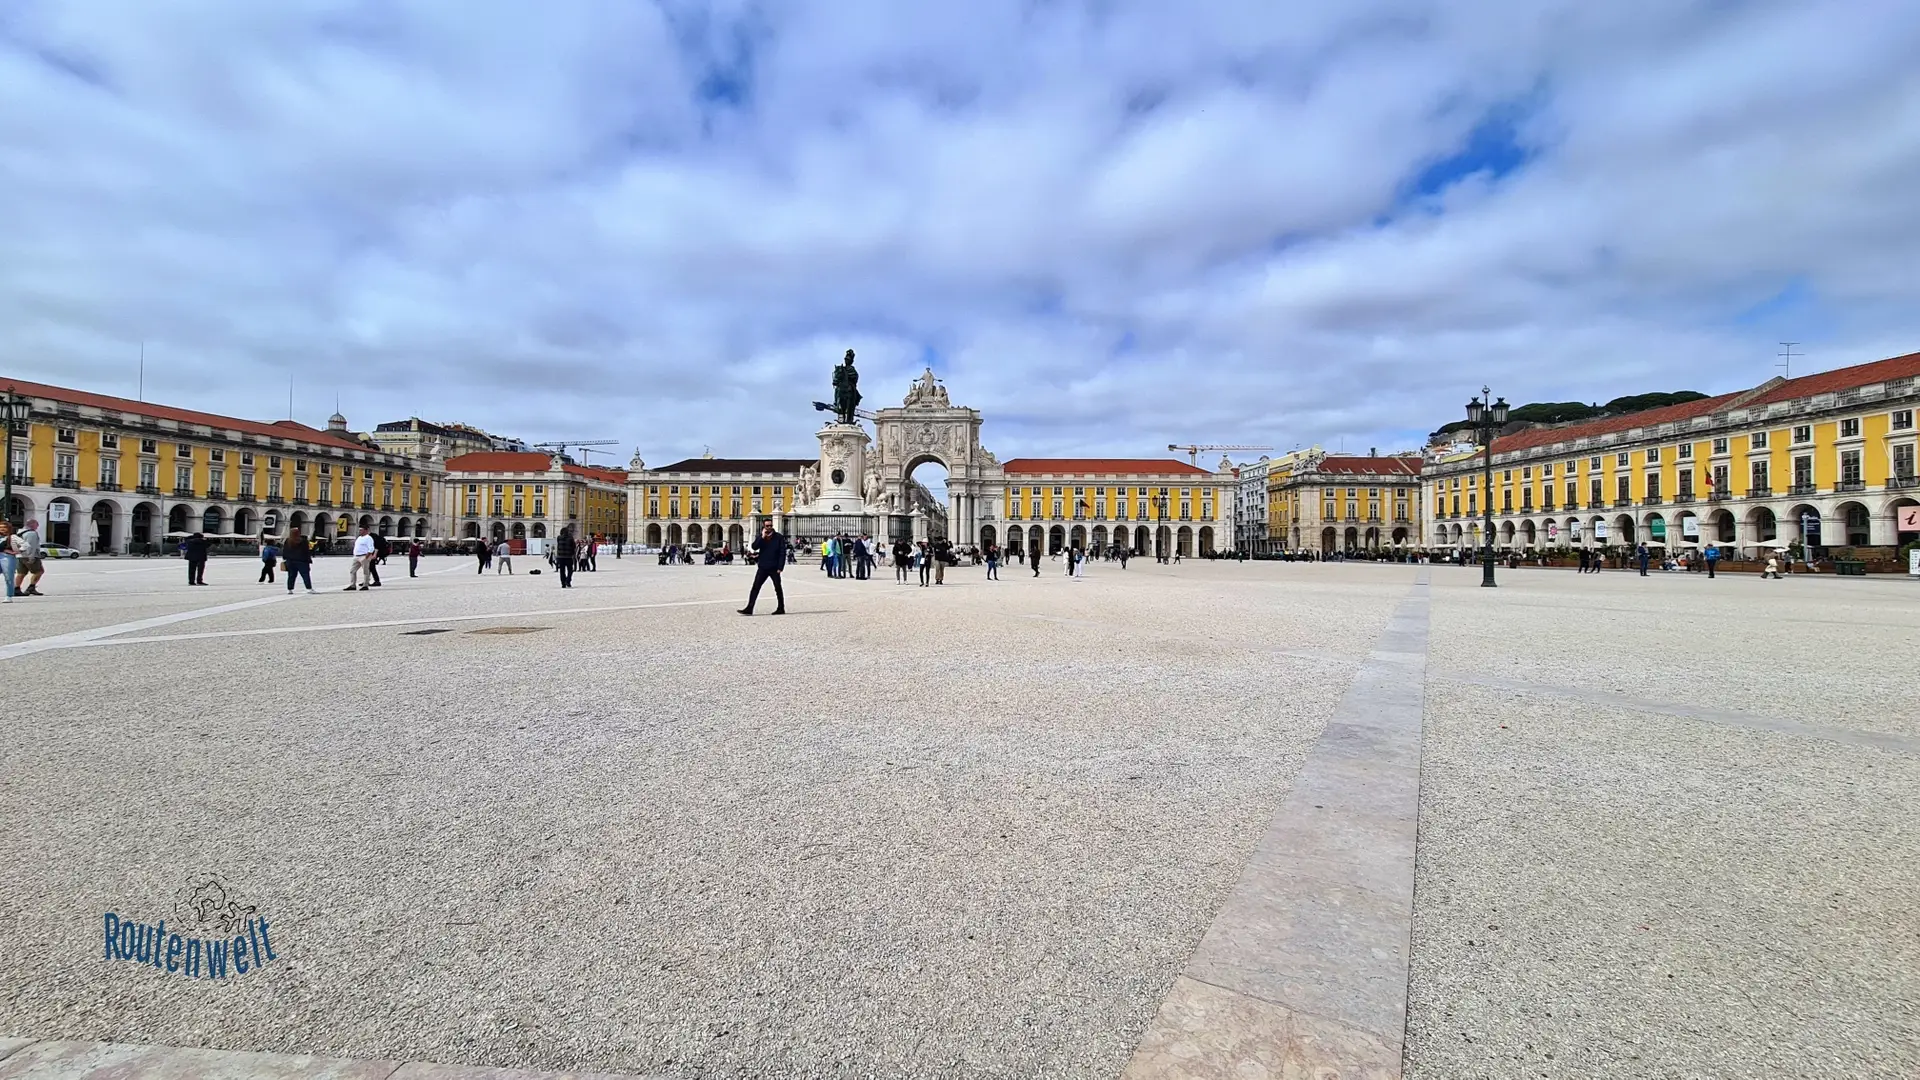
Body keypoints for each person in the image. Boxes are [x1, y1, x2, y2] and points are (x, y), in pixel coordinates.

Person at [739, 522, 788, 615]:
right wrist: (762, 537)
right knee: (755, 588)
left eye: (770, 526)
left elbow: (782, 552)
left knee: (778, 588)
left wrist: (780, 567)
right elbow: (754, 547)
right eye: (767, 526)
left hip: (774, 567)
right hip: (763, 567)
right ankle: (749, 608)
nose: (769, 527)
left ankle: (781, 608)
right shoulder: (762, 537)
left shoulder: (779, 537)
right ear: (764, 527)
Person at [346, 526, 377, 591]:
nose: (360, 531)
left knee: (365, 571)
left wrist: (367, 556)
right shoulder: (359, 538)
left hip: (364, 556)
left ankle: (365, 585)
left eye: (361, 530)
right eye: (359, 530)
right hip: (356, 556)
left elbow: (371, 548)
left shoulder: (368, 538)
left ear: (366, 530)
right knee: (352, 571)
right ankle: (353, 585)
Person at [0, 520, 18, 602]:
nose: (2, 529)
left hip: (7, 557)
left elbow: (26, 545)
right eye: (0, 527)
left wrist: (17, 551)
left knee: (8, 577)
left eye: (4, 527)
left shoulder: (12, 537)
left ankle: (9, 595)